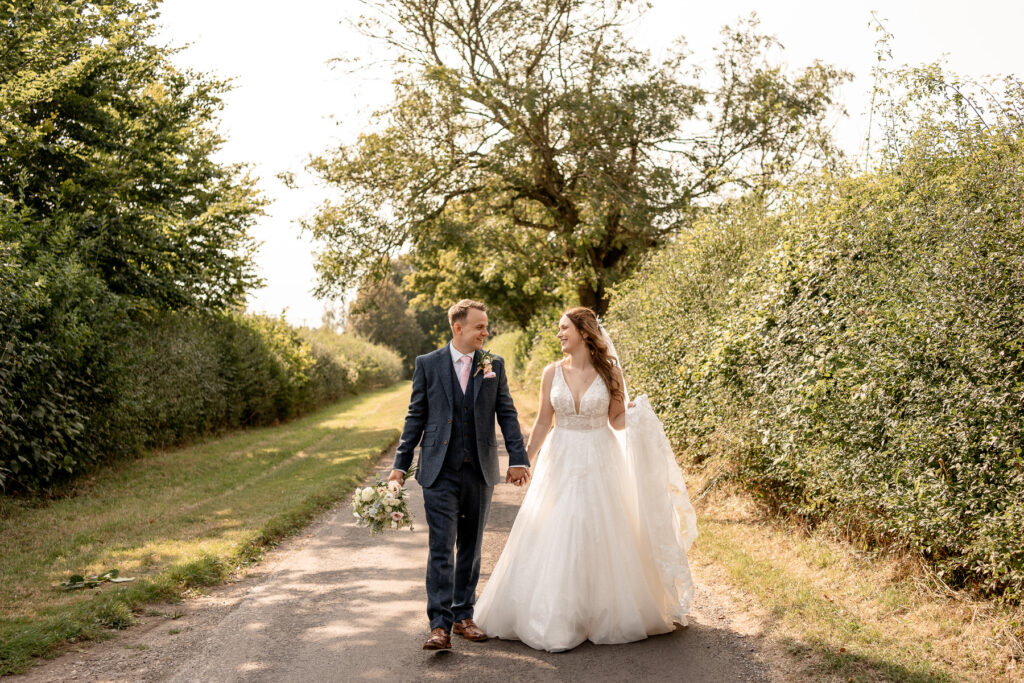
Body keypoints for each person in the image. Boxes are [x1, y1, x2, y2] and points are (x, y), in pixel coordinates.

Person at [474, 306, 697, 652]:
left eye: (564, 328)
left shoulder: (611, 373)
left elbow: (617, 421)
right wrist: (522, 461)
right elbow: (543, 422)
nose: (559, 334)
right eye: (559, 329)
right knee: (557, 528)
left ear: (584, 331)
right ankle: (560, 613)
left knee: (601, 529)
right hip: (559, 458)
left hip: (600, 458)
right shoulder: (551, 372)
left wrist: (637, 417)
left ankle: (601, 612)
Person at [388, 299, 531, 651]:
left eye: (486, 326)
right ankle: (439, 625)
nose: (486, 332)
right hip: (439, 470)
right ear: (458, 327)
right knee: (441, 547)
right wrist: (399, 466)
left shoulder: (493, 364)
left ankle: (463, 615)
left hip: (480, 468)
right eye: (480, 326)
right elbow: (415, 418)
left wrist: (518, 457)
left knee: (471, 545)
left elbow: (508, 415)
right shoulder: (428, 364)